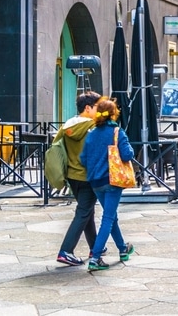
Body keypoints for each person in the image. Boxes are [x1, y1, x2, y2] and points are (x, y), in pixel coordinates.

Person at [79, 97, 135, 272]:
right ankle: (95, 257)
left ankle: (122, 248)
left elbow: (83, 158)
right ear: (114, 114)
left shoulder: (91, 134)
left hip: (95, 182)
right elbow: (127, 155)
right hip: (113, 180)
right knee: (108, 218)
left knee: (111, 217)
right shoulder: (117, 132)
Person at [55, 91, 102, 266]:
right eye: (97, 107)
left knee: (87, 211)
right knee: (83, 212)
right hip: (88, 176)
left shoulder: (68, 125)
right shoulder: (92, 127)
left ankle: (95, 246)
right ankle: (66, 250)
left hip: (72, 176)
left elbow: (56, 147)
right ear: (88, 108)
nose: (99, 111)